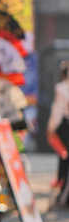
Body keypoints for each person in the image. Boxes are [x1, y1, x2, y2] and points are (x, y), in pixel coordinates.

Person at [47, 62, 69, 198]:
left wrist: (50, 129)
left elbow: (57, 111)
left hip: (65, 126)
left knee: (64, 157)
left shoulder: (61, 88)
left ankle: (63, 191)